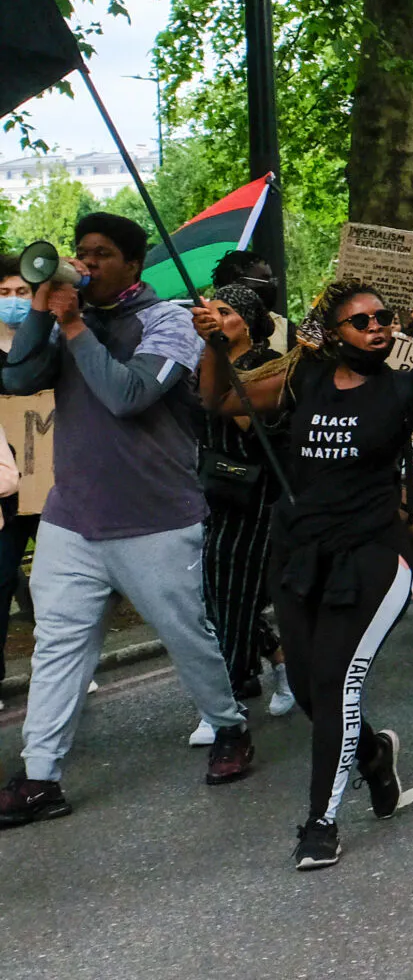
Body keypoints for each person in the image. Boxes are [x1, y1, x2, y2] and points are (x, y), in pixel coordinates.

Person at [202, 269, 413, 869]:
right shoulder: (300, 379)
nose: (378, 329)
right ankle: (371, 754)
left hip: (373, 556)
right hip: (297, 555)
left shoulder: (405, 390)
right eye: (362, 321)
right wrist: (211, 343)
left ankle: (321, 821)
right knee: (317, 692)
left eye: (385, 319)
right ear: (333, 332)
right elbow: (219, 400)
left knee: (339, 685)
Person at [1, 214, 255, 828]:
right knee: (58, 647)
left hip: (157, 518)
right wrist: (41, 311)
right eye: (80, 253)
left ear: (134, 265)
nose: (85, 264)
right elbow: (15, 378)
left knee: (186, 635)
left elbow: (128, 396)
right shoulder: (67, 320)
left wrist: (72, 324)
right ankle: (41, 776)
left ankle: (228, 726)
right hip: (72, 517)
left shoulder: (168, 322)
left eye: (101, 255)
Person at [192, 283, 296, 736]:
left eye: (226, 312)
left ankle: (226, 702)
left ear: (249, 324)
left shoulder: (264, 367)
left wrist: (219, 362)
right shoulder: (209, 361)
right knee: (216, 594)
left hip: (254, 499)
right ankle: (279, 658)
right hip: (213, 494)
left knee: (231, 598)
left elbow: (244, 420)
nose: (215, 318)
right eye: (210, 312)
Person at [0, 255, 35, 693]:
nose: (13, 301)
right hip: (4, 488)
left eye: (22, 292)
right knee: (2, 577)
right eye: (4, 293)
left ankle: (62, 666)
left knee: (59, 579)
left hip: (53, 480)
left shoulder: (48, 343)